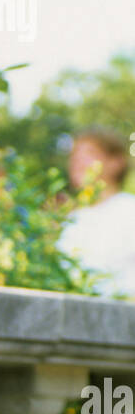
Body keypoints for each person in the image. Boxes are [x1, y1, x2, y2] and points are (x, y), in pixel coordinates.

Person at [58, 127, 135, 298]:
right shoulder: (71, 219)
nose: (77, 161)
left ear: (116, 162)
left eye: (89, 153)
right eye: (74, 155)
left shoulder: (130, 210)